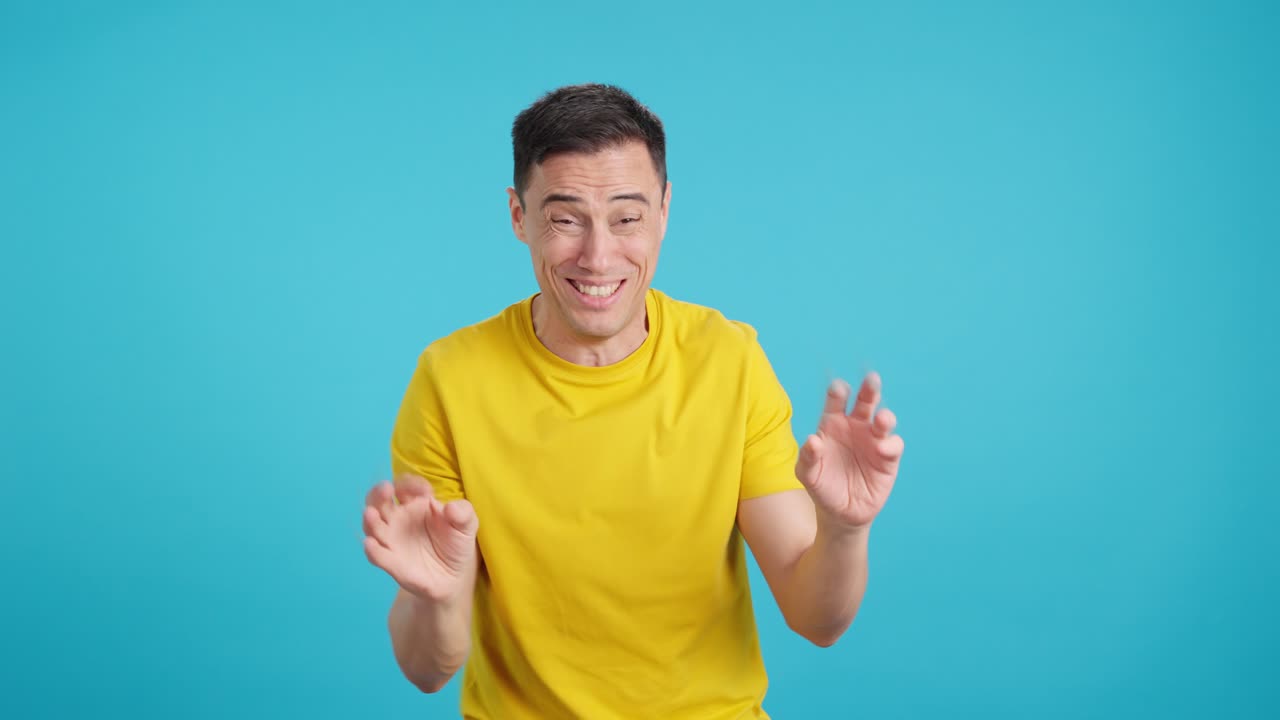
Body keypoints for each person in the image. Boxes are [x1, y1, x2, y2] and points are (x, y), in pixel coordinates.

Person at [361, 83, 906, 719]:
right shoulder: (450, 379)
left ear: (665, 210)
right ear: (519, 216)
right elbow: (429, 670)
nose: (598, 256)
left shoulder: (728, 360)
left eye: (627, 218)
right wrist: (433, 595)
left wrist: (844, 530)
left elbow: (817, 620)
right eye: (565, 219)